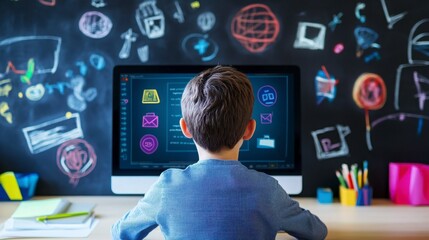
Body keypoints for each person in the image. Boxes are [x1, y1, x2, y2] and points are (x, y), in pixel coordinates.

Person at [111, 65, 328, 240]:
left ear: (185, 128)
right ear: (250, 129)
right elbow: (317, 232)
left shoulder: (166, 188)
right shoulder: (267, 190)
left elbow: (121, 232)